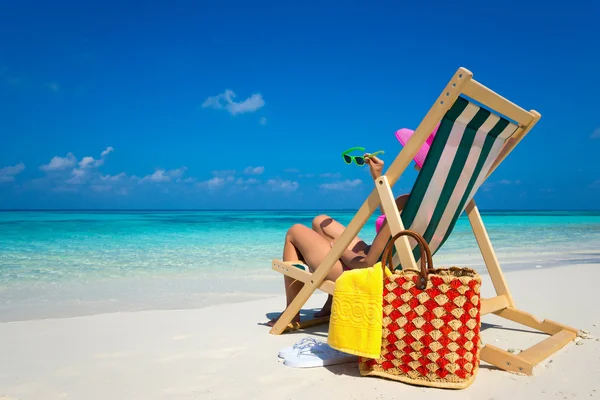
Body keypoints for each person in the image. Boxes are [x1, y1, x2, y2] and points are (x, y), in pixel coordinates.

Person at [267, 153, 409, 327]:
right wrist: (377, 176)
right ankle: (332, 301)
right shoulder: (417, 204)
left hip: (362, 271)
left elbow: (366, 263)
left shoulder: (406, 202)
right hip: (377, 259)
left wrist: (340, 250)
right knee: (320, 221)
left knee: (294, 232)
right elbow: (390, 220)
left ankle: (292, 312)